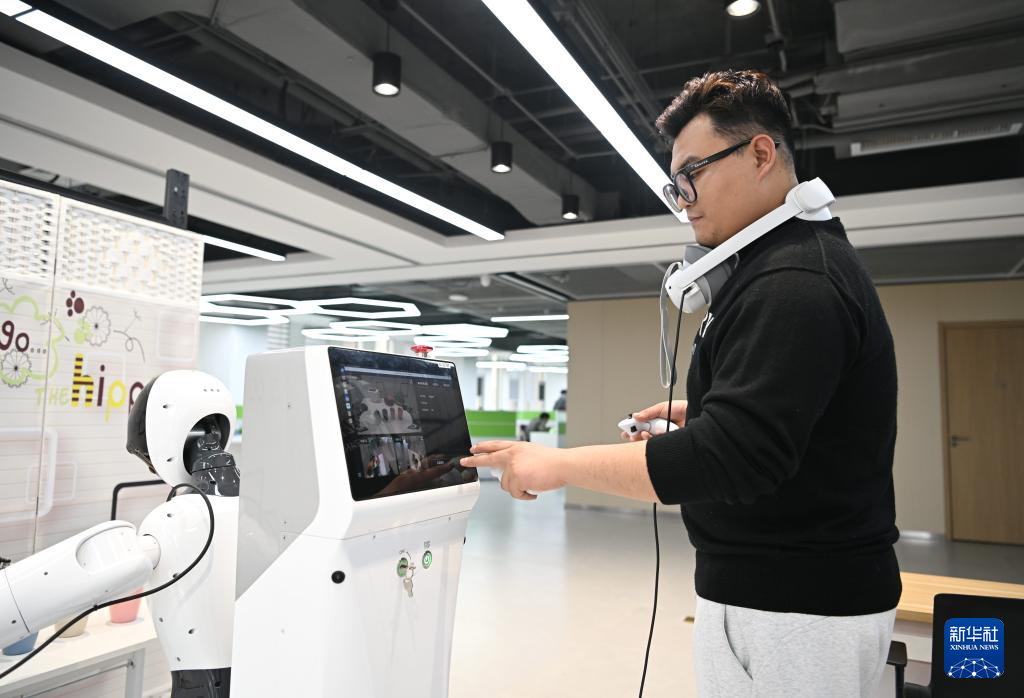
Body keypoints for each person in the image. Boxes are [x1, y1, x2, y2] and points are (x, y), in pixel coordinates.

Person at [460, 69, 900, 697]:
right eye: (676, 184)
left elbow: (732, 458)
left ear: (761, 154)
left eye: (693, 173)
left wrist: (556, 465)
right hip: (773, 595)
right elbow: (790, 424)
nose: (683, 198)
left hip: (800, 607)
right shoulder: (776, 271)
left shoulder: (795, 282)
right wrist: (713, 412)